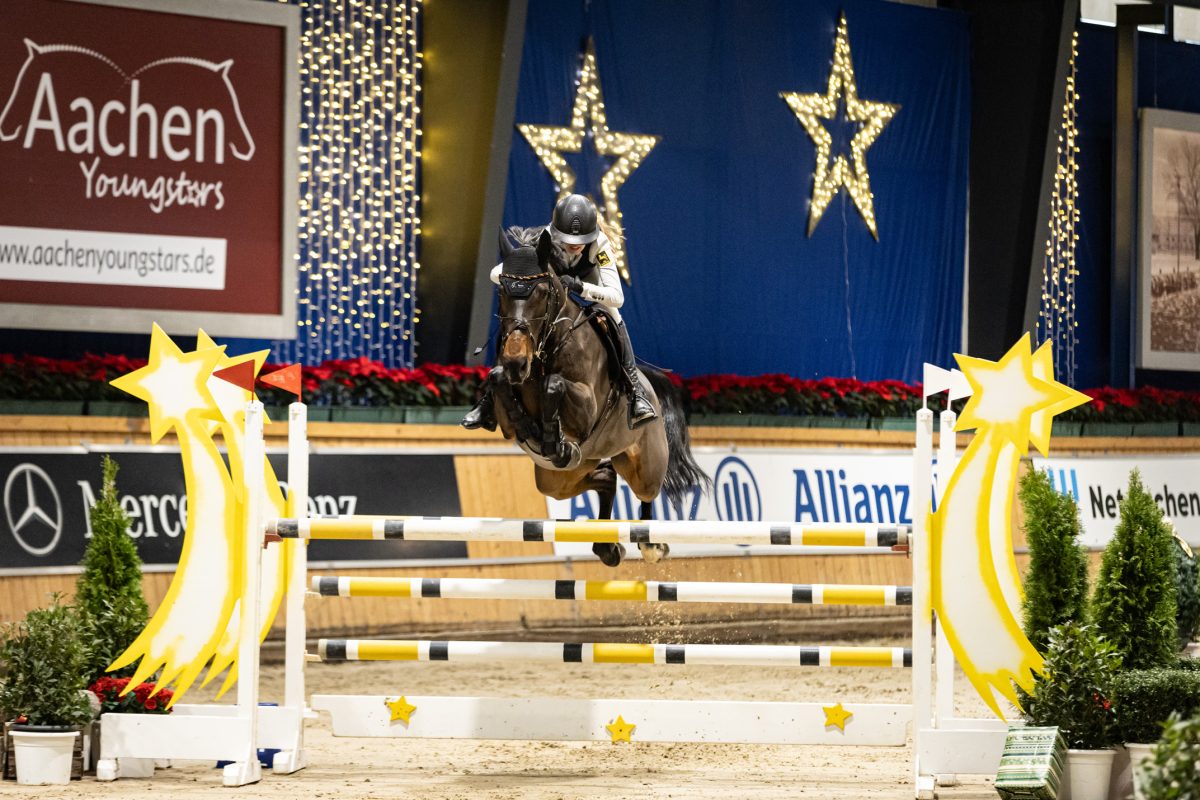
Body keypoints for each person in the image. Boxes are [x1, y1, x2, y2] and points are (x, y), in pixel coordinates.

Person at [462, 193, 658, 431]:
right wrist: (521, 274)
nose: (575, 245)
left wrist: (579, 286)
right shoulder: (543, 239)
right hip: (554, 294)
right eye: (567, 239)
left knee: (615, 318)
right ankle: (488, 401)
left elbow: (617, 297)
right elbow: (496, 273)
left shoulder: (600, 244)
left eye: (581, 239)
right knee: (515, 320)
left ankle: (636, 394)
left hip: (591, 287)